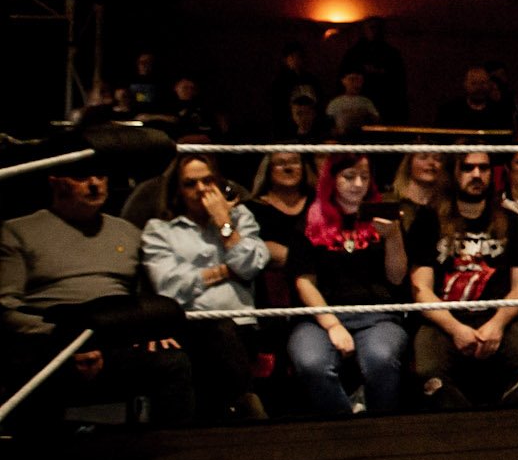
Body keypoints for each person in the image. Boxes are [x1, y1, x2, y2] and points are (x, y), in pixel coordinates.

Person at [2, 159, 195, 426]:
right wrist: (67, 339)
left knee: (175, 360)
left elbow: (144, 299)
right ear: (56, 182)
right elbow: (6, 309)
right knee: (22, 363)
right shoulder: (16, 231)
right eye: (82, 177)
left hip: (115, 338)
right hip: (52, 339)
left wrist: (152, 330)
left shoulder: (127, 232)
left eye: (100, 176)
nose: (94, 184)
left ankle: (176, 446)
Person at [407, 151, 518, 409]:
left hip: (499, 316)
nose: (477, 175)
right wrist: (455, 328)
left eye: (484, 168)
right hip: (442, 319)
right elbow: (420, 289)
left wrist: (497, 324)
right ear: (453, 173)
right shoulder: (428, 220)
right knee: (430, 377)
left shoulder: (513, 222)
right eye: (468, 168)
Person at [140, 155, 271, 420]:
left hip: (243, 326)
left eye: (207, 181)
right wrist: (225, 271)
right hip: (189, 326)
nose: (201, 189)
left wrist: (224, 223)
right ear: (178, 189)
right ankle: (246, 408)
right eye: (191, 184)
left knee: (224, 331)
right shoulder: (160, 230)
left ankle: (240, 411)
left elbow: (251, 265)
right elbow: (170, 287)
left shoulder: (239, 217)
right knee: (217, 331)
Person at [286, 154, 410, 417]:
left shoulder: (382, 216)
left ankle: (383, 431)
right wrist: (332, 324)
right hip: (319, 318)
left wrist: (394, 237)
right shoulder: (311, 218)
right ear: (332, 179)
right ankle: (346, 427)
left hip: (376, 315)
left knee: (381, 359)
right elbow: (304, 283)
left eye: (364, 177)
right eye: (349, 177)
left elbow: (397, 277)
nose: (358, 184)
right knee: (311, 363)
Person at [338, 16, 407, 124]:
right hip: (359, 106)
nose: (374, 31)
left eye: (377, 28)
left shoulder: (391, 54)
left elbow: (399, 82)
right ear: (364, 30)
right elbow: (343, 77)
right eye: (371, 27)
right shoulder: (354, 54)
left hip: (387, 105)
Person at [248, 150, 311, 267]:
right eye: (280, 163)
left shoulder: (319, 205)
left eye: (294, 162)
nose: (288, 168)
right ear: (268, 170)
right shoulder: (251, 209)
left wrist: (287, 256)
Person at [435, 65, 512, 132]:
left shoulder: (499, 112)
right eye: (474, 83)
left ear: (489, 84)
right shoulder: (449, 111)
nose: (479, 88)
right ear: (465, 85)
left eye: (483, 83)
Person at [325, 70, 381, 136]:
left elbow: (376, 120)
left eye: (359, 81)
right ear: (343, 81)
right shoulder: (335, 102)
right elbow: (328, 123)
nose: (356, 84)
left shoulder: (366, 102)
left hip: (361, 137)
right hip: (341, 137)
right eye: (352, 80)